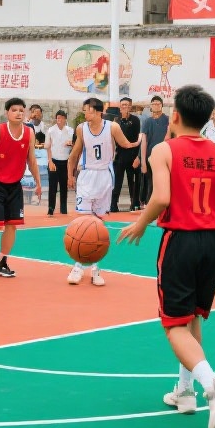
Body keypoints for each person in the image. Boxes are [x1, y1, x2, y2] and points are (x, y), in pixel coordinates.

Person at [118, 84, 215, 428]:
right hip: (212, 242)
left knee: (174, 324)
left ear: (174, 116)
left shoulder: (164, 150)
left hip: (181, 241)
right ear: (206, 119)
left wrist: (140, 223)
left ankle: (213, 386)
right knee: (192, 317)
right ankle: (184, 391)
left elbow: (161, 196)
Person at [66, 97, 141, 286]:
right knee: (83, 221)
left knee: (98, 225)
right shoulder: (81, 128)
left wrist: (139, 140)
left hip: (105, 177)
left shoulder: (112, 127)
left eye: (88, 110)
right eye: (84, 110)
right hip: (86, 175)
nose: (85, 113)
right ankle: (77, 266)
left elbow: (126, 144)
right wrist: (70, 174)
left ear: (98, 111)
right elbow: (75, 153)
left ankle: (95, 267)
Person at [0, 97, 43, 278]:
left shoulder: (29, 133)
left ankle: (2, 262)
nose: (19, 113)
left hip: (14, 185)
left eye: (21, 110)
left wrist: (38, 182)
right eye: (14, 110)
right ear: (7, 113)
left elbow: (32, 160)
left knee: (12, 226)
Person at [109, 97, 142, 212]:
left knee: (133, 182)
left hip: (132, 156)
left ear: (130, 106)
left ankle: (134, 204)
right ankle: (113, 204)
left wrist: (137, 157)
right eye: (122, 105)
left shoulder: (136, 120)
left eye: (127, 105)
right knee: (116, 182)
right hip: (119, 157)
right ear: (120, 106)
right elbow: (112, 139)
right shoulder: (116, 121)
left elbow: (138, 139)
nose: (124, 107)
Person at [139, 95, 170, 207]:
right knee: (151, 183)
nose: (156, 106)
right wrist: (143, 161)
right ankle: (149, 206)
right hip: (150, 157)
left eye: (158, 104)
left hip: (165, 157)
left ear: (162, 105)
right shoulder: (147, 121)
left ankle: (164, 206)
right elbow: (144, 141)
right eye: (154, 104)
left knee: (164, 182)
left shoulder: (167, 120)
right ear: (150, 106)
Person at [44, 110, 74, 216]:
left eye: (61, 118)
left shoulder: (70, 131)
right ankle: (51, 209)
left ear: (65, 119)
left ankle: (63, 209)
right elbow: (47, 147)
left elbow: (74, 146)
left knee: (63, 187)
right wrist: (50, 161)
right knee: (52, 186)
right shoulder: (51, 130)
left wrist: (71, 143)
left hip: (66, 162)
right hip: (54, 161)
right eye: (58, 118)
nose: (59, 120)